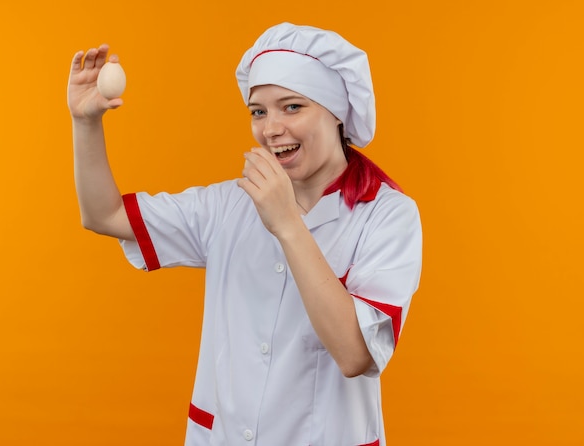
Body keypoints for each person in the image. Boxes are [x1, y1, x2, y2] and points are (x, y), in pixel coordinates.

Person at [67, 22, 422, 446]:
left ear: (336, 111)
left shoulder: (387, 215)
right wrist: (85, 123)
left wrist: (286, 222)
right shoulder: (229, 205)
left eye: (292, 107)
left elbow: (355, 354)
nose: (271, 128)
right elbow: (103, 214)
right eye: (258, 111)